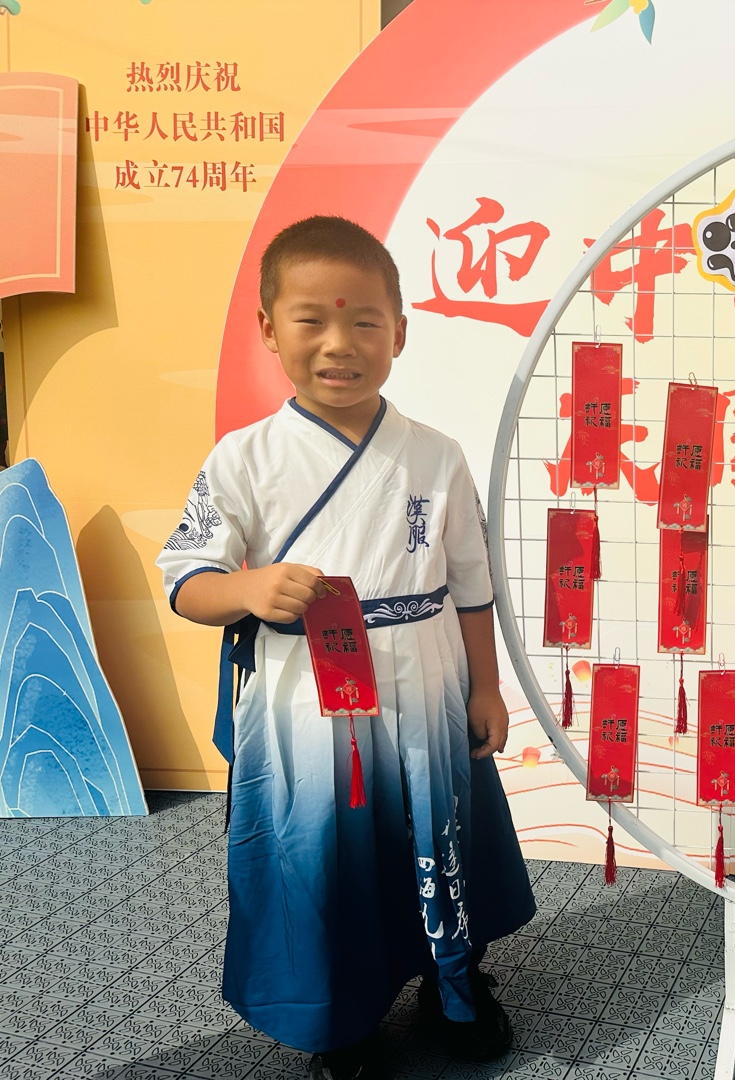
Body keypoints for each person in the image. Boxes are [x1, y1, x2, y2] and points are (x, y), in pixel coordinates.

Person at [157, 216, 536, 1080]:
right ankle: (343, 1018)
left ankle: (452, 985)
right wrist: (247, 589)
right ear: (268, 328)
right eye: (312, 320)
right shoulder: (244, 457)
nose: (340, 344)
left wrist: (485, 688)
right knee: (323, 858)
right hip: (306, 701)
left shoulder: (436, 456)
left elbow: (471, 584)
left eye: (364, 321)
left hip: (428, 683)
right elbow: (187, 580)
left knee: (439, 835)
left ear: (399, 332)